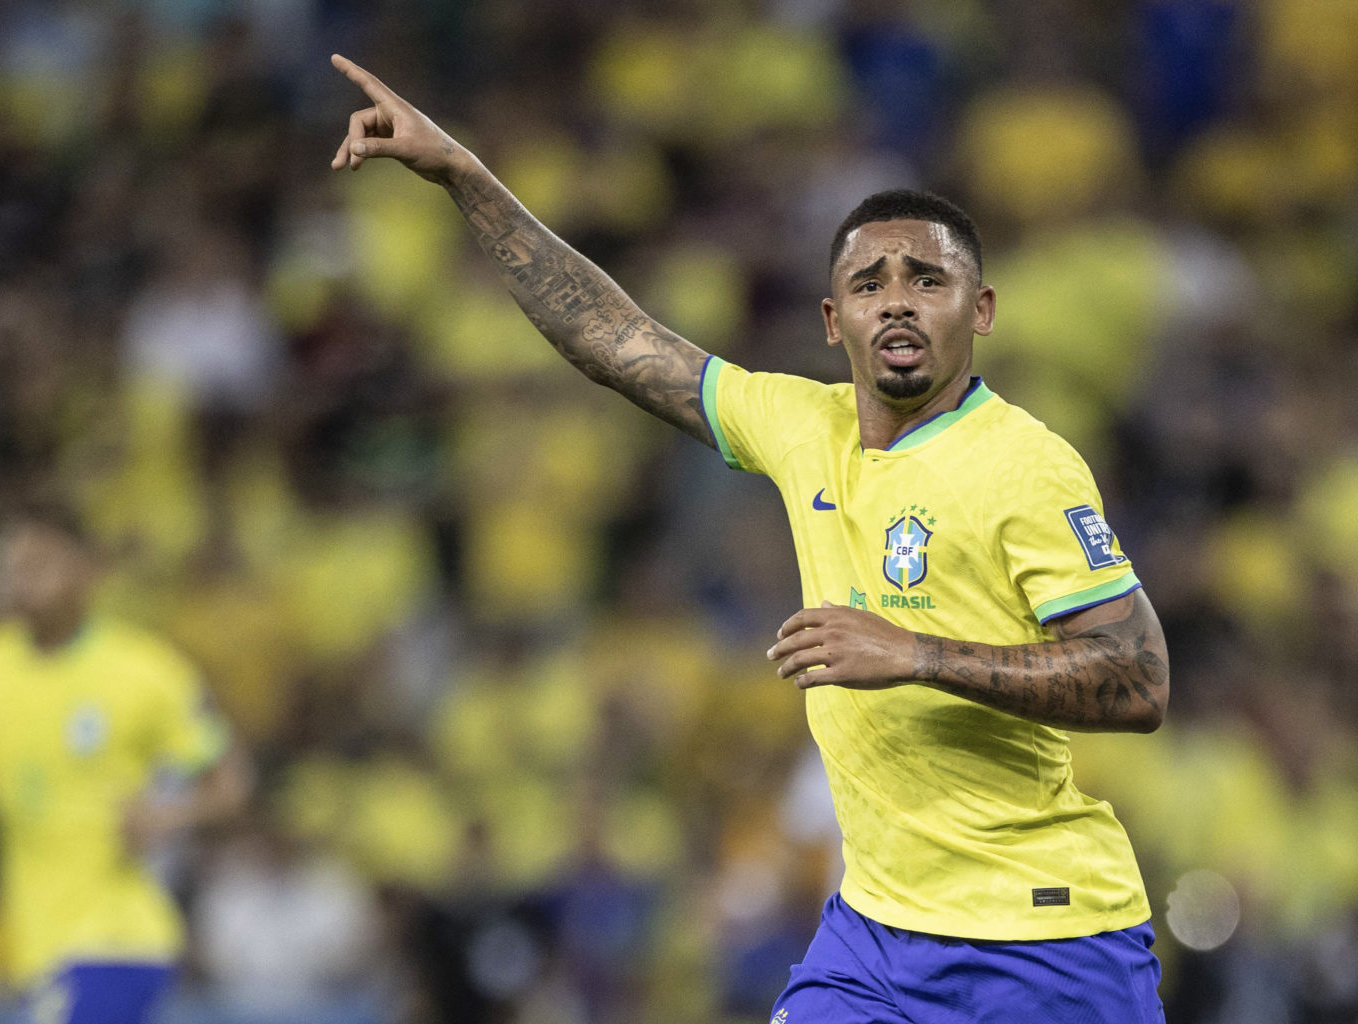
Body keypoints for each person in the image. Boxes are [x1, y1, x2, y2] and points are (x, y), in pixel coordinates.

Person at [328, 55, 1173, 1023]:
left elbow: (1139, 679)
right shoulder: (800, 425)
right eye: (868, 282)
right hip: (877, 930)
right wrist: (464, 177)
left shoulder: (1026, 464)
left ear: (977, 312)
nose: (896, 298)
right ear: (832, 320)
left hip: (1043, 933)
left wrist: (914, 652)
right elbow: (612, 338)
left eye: (927, 279)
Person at [0, 501, 250, 1024]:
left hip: (120, 939)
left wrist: (166, 816)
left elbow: (231, 786)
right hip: (34, 946)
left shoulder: (145, 671)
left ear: (88, 570)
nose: (20, 582)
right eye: (11, 567)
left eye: (40, 565)